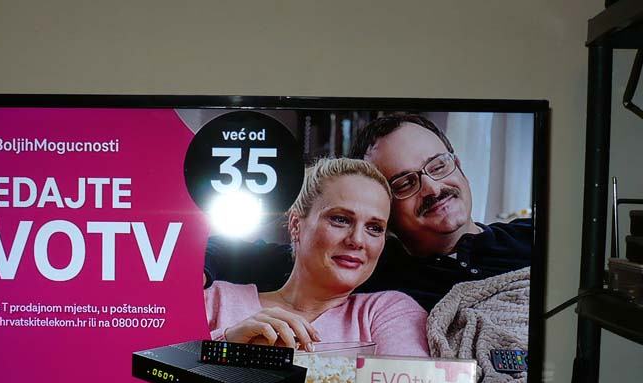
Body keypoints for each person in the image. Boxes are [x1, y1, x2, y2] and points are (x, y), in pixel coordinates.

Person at [204, 158, 429, 383]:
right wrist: (226, 348)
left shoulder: (387, 311)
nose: (357, 240)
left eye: (375, 228)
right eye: (340, 219)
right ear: (296, 225)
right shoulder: (215, 299)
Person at [204, 113, 533, 311]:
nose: (433, 189)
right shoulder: (363, 261)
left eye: (438, 165)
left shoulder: (534, 238)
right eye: (405, 183)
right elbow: (218, 250)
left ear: (457, 164)